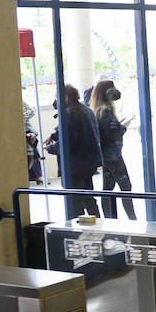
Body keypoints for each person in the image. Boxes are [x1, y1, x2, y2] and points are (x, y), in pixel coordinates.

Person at [46, 83, 102, 218]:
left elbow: (67, 143)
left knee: (75, 202)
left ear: (65, 97)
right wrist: (54, 135)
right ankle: (98, 225)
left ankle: (79, 230)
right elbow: (79, 131)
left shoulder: (69, 114)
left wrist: (50, 148)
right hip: (88, 163)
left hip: (75, 165)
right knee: (89, 198)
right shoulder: (85, 109)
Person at [89, 80, 136, 220]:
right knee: (125, 187)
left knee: (108, 189)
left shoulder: (99, 110)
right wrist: (123, 128)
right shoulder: (106, 112)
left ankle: (109, 219)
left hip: (107, 156)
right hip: (113, 156)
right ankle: (132, 219)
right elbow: (113, 131)